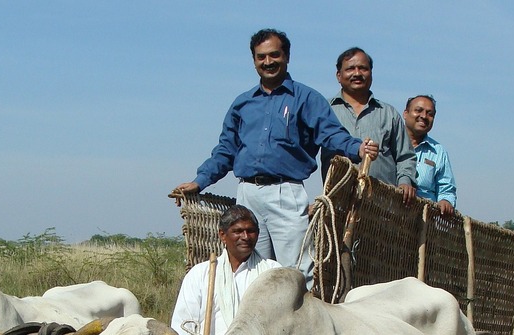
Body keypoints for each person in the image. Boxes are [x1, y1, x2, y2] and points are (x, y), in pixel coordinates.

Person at [171, 29, 379, 283]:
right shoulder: (242, 104)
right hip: (248, 194)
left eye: (274, 55)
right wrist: (200, 180)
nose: (268, 62)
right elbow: (226, 150)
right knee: (249, 271)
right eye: (261, 57)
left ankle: (298, 323)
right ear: (254, 60)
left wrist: (357, 148)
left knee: (295, 272)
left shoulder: (306, 98)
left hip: (286, 193)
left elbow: (331, 134)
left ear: (286, 56)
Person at [171, 205, 281, 335]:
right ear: (223, 235)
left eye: (250, 231)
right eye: (238, 231)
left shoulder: (273, 272)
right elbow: (183, 328)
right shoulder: (201, 274)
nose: (245, 237)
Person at [322, 47, 416, 202]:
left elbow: (405, 156)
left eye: (363, 68)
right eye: (350, 68)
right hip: (337, 201)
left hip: (382, 206)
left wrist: (405, 182)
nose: (357, 73)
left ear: (371, 73)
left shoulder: (388, 114)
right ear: (339, 75)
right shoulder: (325, 111)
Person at [404, 94, 456, 215]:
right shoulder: (390, 142)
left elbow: (446, 189)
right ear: (405, 114)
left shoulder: (438, 152)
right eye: (418, 110)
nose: (424, 116)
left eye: (430, 114)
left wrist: (445, 201)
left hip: (423, 221)